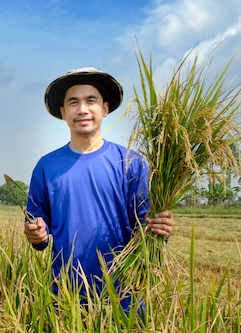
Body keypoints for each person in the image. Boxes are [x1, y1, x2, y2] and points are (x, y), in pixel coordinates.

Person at [24, 67, 174, 308]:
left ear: (104, 108)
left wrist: (161, 229)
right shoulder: (46, 167)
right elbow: (37, 229)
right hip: (65, 296)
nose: (82, 109)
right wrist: (36, 233)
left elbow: (146, 229)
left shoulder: (130, 163)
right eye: (73, 102)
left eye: (90, 100)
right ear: (63, 112)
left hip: (125, 295)